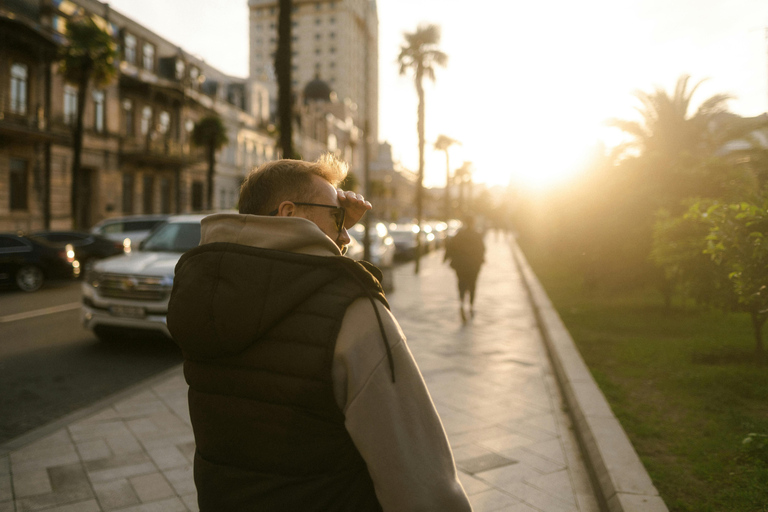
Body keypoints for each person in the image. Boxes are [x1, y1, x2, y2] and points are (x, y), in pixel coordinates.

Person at [167, 155, 472, 512]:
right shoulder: (352, 308)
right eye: (336, 213)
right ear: (288, 213)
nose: (345, 229)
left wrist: (334, 233)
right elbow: (419, 477)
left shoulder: (205, 291)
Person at [444, 216, 485, 323]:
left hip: (460, 265)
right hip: (473, 266)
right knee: (472, 285)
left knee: (461, 284)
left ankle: (462, 304)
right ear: (473, 222)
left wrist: (446, 258)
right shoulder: (477, 235)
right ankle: (471, 307)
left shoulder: (459, 234)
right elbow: (482, 249)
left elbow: (450, 247)